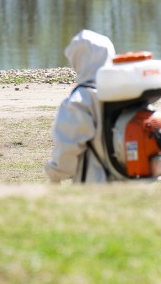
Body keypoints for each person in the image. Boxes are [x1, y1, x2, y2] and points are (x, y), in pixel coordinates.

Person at [44, 29, 116, 184]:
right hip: (134, 180)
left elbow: (66, 152)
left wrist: (54, 172)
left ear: (78, 61)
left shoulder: (80, 100)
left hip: (96, 185)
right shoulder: (126, 90)